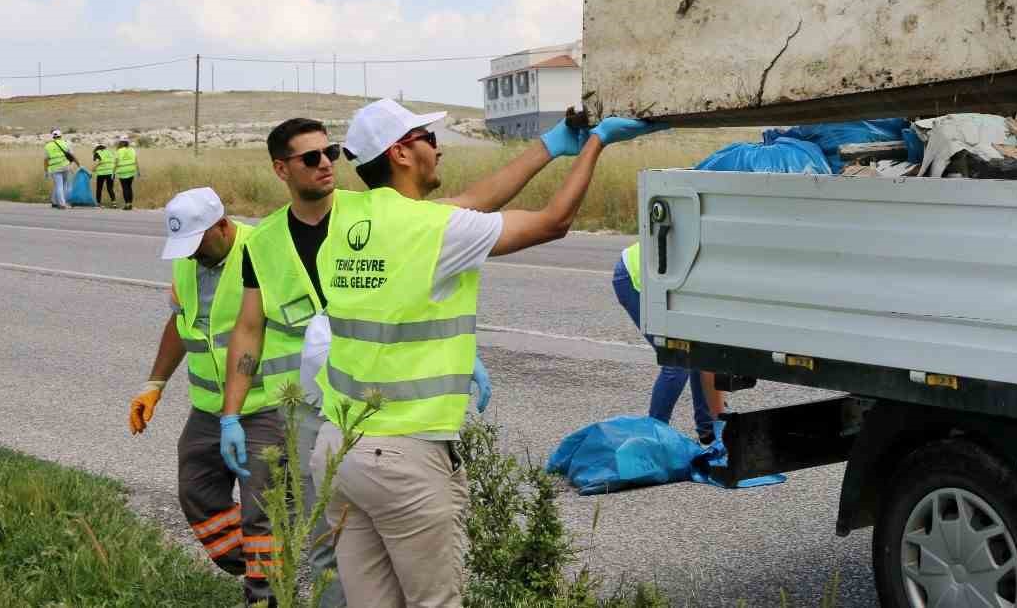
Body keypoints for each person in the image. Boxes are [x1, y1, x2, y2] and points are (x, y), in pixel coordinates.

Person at [285, 98, 658, 608]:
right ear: (400, 153)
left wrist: (547, 149)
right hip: (405, 458)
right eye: (427, 139)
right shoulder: (432, 231)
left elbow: (469, 203)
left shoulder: (349, 219)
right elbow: (552, 222)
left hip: (340, 449)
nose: (438, 149)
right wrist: (595, 144)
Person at [127, 187, 284, 605]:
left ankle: (265, 594)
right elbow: (181, 325)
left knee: (260, 514)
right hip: (209, 411)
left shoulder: (264, 250)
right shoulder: (186, 263)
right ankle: (262, 567)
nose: (192, 254)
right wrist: (154, 385)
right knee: (197, 493)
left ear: (222, 225)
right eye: (185, 247)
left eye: (198, 243)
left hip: (265, 407)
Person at [216, 118, 350, 608]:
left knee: (386, 530)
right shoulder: (264, 241)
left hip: (376, 397)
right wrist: (231, 414)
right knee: (326, 539)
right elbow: (248, 329)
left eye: (330, 152)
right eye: (310, 158)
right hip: (308, 412)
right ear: (281, 169)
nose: (325, 164)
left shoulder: (368, 216)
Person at [613, 241, 725, 443]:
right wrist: (723, 427)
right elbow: (711, 359)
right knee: (678, 360)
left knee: (699, 354)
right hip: (635, 278)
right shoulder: (717, 268)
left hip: (670, 280)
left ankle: (708, 432)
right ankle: (652, 440)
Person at [43, 128, 76, 209]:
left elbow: (46, 160)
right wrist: (77, 164)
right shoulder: (66, 144)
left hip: (54, 168)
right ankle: (58, 202)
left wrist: (46, 171)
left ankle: (59, 203)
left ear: (52, 137)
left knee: (58, 186)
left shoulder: (48, 146)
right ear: (61, 136)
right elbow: (72, 156)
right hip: (65, 167)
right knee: (64, 185)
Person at [116, 136, 139, 209]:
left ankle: (127, 204)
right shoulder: (132, 150)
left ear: (121, 143)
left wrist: (113, 173)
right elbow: (136, 161)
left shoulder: (119, 151)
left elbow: (116, 163)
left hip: (122, 171)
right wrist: (138, 170)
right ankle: (130, 204)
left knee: (125, 188)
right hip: (131, 170)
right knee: (129, 187)